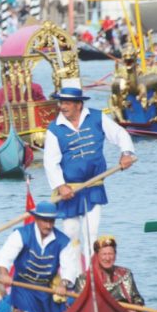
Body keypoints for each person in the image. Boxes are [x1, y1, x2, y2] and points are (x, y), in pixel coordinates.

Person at [44, 78, 135, 265]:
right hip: (69, 191)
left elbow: (120, 134)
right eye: (61, 102)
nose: (62, 106)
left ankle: (90, 276)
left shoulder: (96, 117)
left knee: (92, 232)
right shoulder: (54, 129)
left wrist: (126, 153)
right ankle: (74, 276)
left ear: (79, 104)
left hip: (94, 186)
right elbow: (50, 163)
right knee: (71, 234)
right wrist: (61, 186)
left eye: (67, 103)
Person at [0, 201, 79, 312]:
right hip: (22, 287)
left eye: (52, 221)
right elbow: (5, 256)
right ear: (37, 219)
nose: (49, 225)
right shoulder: (21, 234)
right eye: (45, 221)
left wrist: (63, 284)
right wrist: (4, 274)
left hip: (45, 289)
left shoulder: (63, 241)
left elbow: (70, 267)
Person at [74, 236, 145, 306]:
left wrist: (136, 308)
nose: (107, 258)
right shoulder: (83, 279)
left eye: (110, 254)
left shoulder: (125, 274)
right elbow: (78, 305)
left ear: (115, 255)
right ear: (97, 256)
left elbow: (136, 298)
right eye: (104, 254)